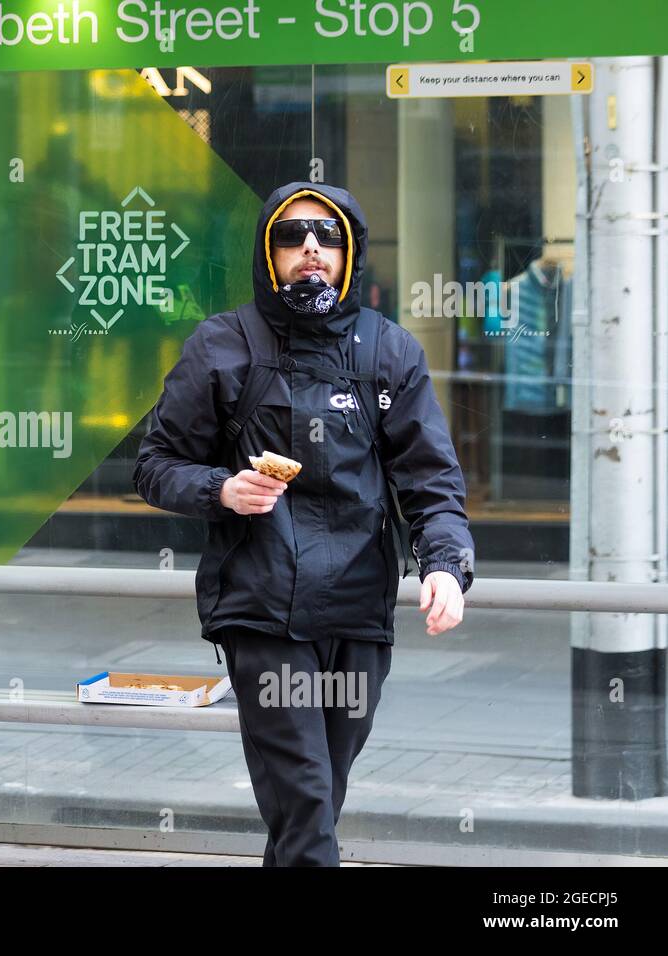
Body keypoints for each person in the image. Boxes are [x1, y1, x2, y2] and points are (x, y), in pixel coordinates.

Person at [133, 181, 474, 866]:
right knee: (308, 799)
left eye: (327, 236)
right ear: (269, 252)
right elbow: (154, 463)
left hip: (357, 613)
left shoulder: (389, 352)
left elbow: (429, 479)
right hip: (260, 608)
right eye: (292, 236)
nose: (309, 248)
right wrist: (221, 488)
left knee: (312, 804)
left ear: (349, 254)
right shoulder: (222, 346)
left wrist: (445, 565)